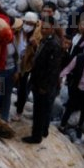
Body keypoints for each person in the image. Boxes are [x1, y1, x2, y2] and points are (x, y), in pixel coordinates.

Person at [22, 16, 62, 144]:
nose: (43, 30)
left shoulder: (53, 44)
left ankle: (36, 136)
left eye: (46, 28)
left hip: (43, 84)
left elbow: (53, 68)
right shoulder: (44, 41)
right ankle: (43, 130)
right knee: (41, 109)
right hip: (38, 80)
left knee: (39, 110)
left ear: (52, 28)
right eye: (42, 28)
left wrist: (44, 86)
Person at [12, 11, 41, 121]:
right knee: (7, 82)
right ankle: (1, 105)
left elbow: (38, 53)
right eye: (27, 23)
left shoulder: (36, 36)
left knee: (22, 88)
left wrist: (34, 46)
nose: (28, 26)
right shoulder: (18, 30)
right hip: (14, 60)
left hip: (26, 65)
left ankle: (19, 111)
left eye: (31, 24)